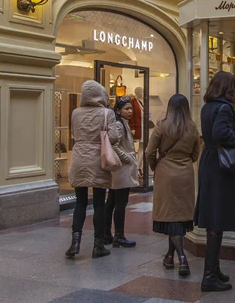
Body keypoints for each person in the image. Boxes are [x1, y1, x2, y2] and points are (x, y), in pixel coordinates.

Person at [194, 71, 235, 292]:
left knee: (214, 217)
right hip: (220, 167)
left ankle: (214, 270)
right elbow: (220, 133)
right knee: (216, 219)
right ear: (227, 87)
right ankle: (209, 276)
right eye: (233, 86)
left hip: (210, 162)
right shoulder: (224, 107)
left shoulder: (208, 106)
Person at [146, 94, 200, 276]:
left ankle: (182, 258)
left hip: (165, 174)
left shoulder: (162, 126)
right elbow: (195, 155)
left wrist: (156, 166)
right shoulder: (192, 128)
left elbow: (149, 152)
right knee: (177, 215)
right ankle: (170, 256)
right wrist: (184, 160)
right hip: (185, 173)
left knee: (171, 215)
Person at [65, 80, 120, 259]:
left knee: (80, 202)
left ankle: (75, 243)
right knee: (98, 203)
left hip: (79, 159)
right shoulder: (107, 113)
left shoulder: (75, 113)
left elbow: (74, 134)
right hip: (98, 160)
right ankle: (98, 245)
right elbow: (113, 137)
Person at [104, 97, 139, 248]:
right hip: (122, 169)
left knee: (112, 202)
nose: (130, 111)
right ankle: (119, 235)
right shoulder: (119, 125)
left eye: (131, 108)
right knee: (120, 203)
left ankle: (106, 234)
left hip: (120, 169)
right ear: (118, 110)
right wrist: (127, 159)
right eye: (126, 109)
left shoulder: (123, 123)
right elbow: (114, 145)